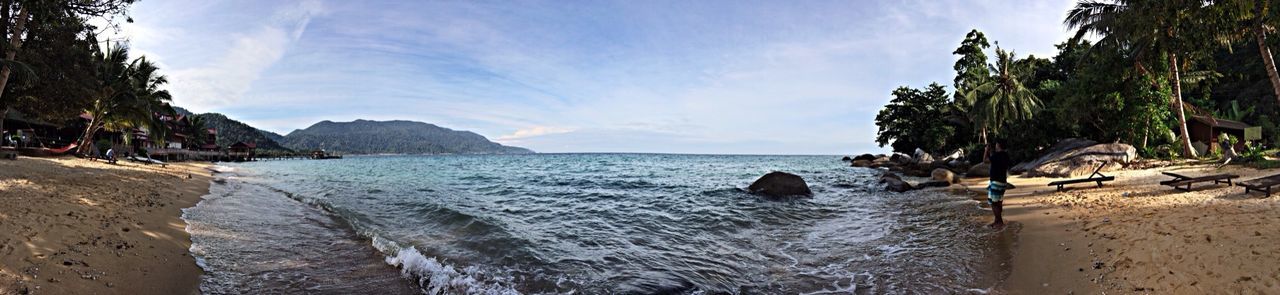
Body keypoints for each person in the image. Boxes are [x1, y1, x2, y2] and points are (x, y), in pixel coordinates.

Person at [985, 139, 1012, 228]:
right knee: (999, 202)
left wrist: (986, 151)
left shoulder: (996, 155)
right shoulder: (1006, 155)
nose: (995, 145)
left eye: (996, 144)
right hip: (1003, 182)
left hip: (996, 182)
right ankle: (997, 221)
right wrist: (990, 152)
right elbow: (992, 160)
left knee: (994, 203)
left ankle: (999, 222)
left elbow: (985, 160)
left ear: (999, 145)